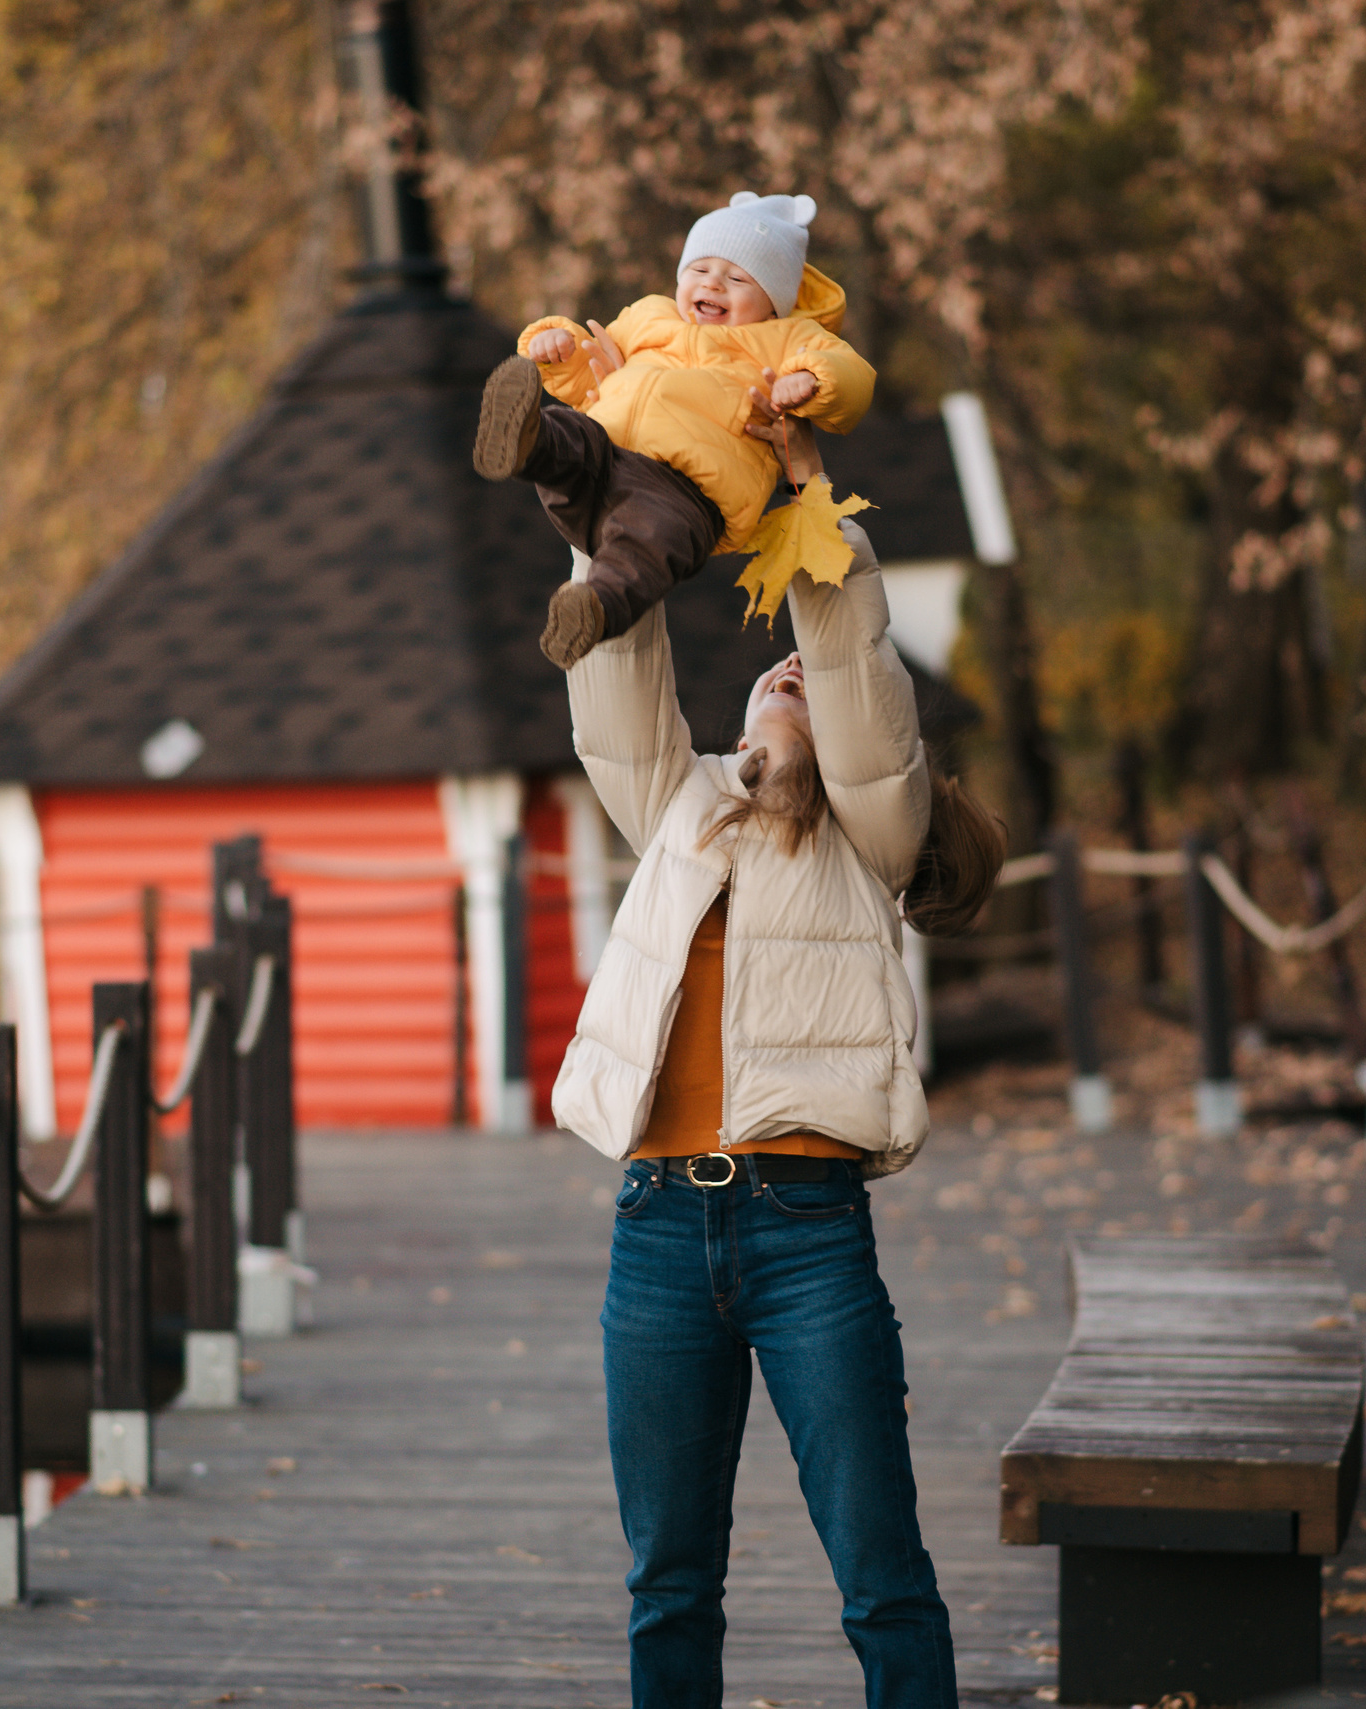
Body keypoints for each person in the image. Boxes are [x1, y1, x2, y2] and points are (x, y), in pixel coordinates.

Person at [551, 415, 1002, 1709]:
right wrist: (603, 522)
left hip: (809, 1238)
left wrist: (812, 505)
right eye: (771, 677)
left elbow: (859, 683)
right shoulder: (685, 807)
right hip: (653, 1239)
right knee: (670, 1580)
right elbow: (616, 695)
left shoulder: (871, 834)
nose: (787, 680)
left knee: (881, 1571)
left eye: (800, 677)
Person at [472, 190, 876, 669]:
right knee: (571, 431)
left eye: (738, 278)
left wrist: (809, 380)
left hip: (685, 491)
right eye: (700, 270)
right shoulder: (649, 315)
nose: (714, 284)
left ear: (774, 303)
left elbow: (851, 376)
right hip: (608, 452)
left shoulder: (786, 339)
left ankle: (594, 608)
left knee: (648, 549)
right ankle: (525, 444)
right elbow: (590, 371)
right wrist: (558, 347)